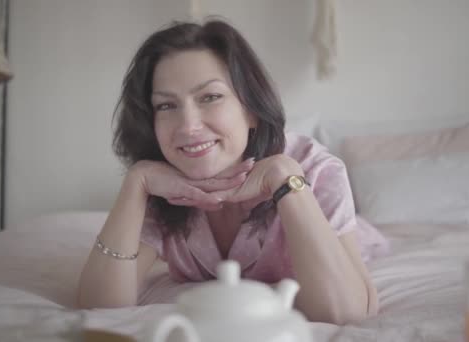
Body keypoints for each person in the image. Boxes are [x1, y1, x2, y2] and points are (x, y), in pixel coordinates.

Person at [77, 19, 387, 324]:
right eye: (166, 106)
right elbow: (100, 304)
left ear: (250, 108)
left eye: (210, 97)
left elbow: (346, 312)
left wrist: (285, 178)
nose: (188, 126)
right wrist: (136, 181)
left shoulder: (315, 169)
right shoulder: (160, 186)